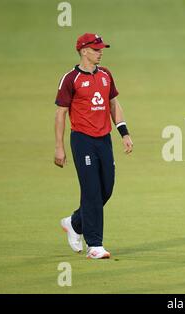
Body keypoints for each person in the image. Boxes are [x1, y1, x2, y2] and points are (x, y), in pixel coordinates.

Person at [54, 33, 133, 259]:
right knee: (91, 192)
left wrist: (124, 133)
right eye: (96, 49)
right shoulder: (70, 79)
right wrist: (59, 147)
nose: (100, 52)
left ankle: (74, 222)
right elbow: (60, 114)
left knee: (105, 189)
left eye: (101, 49)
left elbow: (113, 104)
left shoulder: (106, 75)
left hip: (104, 140)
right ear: (84, 51)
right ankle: (95, 245)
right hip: (82, 140)